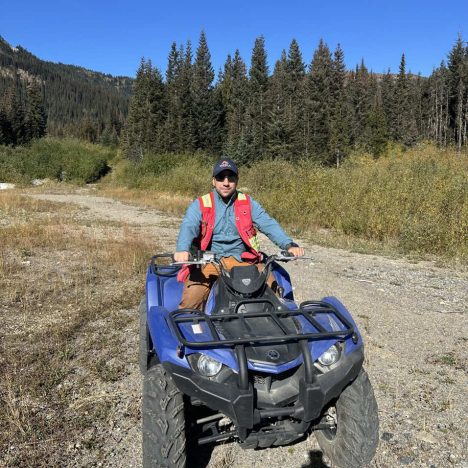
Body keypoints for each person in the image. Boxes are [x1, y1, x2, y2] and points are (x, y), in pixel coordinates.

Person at [174, 158, 305, 310]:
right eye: (221, 177)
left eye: (231, 177)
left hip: (244, 260)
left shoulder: (247, 203)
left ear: (237, 180)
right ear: (213, 181)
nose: (226, 183)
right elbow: (189, 225)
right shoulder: (202, 203)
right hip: (209, 262)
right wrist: (182, 249)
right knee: (191, 301)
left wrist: (289, 245)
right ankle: (192, 323)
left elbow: (268, 224)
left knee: (273, 294)